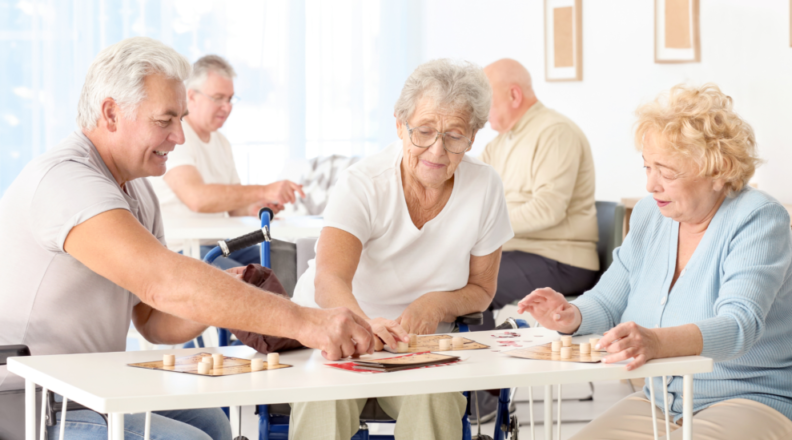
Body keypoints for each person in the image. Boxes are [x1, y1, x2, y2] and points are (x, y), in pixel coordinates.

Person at [0, 37, 374, 440]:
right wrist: (306, 321)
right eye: (165, 121)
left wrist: (226, 292)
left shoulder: (138, 190)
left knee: (213, 421)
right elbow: (162, 284)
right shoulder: (65, 181)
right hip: (26, 401)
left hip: (85, 389)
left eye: (181, 118)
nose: (180, 137)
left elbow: (152, 320)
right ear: (110, 113)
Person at [518, 84, 792, 440]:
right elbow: (609, 300)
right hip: (663, 402)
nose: (650, 185)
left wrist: (658, 343)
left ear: (717, 170)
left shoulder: (758, 218)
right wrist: (570, 315)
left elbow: (740, 325)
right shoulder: (650, 215)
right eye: (647, 167)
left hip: (760, 399)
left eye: (666, 171)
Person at [288, 59, 513, 440]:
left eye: (455, 135)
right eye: (423, 131)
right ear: (399, 125)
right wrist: (361, 324)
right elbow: (329, 278)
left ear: (473, 136)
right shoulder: (364, 183)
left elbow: (482, 289)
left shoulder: (485, 187)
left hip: (417, 346)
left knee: (436, 401)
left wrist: (435, 305)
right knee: (324, 399)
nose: (437, 150)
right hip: (336, 328)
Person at [474, 58, 598, 331]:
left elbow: (547, 209)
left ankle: (480, 364)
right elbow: (469, 192)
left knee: (470, 285)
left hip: (561, 259)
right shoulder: (499, 143)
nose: (479, 111)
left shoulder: (554, 132)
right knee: (447, 274)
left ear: (514, 95)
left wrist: (481, 229)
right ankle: (480, 355)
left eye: (485, 100)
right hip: (520, 252)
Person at [149, 55, 304, 269]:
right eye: (218, 98)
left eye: (230, 99)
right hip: (184, 248)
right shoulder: (177, 136)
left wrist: (257, 207)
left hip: (217, 243)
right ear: (191, 96)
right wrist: (264, 190)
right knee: (254, 281)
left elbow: (235, 208)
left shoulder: (221, 142)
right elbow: (197, 198)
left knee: (286, 258)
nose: (227, 107)